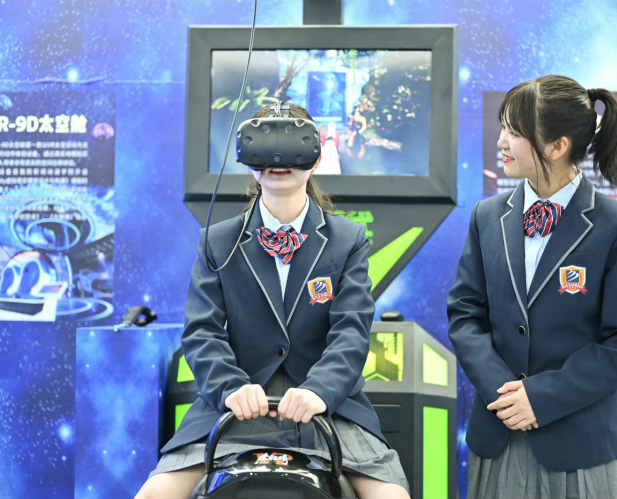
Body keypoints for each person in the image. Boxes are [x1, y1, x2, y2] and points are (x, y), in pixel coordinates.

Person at [135, 103, 410, 499]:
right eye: (265, 146)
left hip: (328, 410)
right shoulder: (218, 241)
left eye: (293, 146)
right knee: (154, 494)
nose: (279, 160)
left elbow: (351, 331)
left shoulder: (347, 239)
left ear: (315, 158)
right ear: (248, 159)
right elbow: (202, 331)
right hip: (236, 408)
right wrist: (231, 387)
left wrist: (320, 390)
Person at [447, 75, 617, 499]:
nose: (501, 142)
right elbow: (465, 314)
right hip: (500, 433)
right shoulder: (487, 216)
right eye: (502, 128)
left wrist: (540, 398)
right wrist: (506, 395)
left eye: (514, 132)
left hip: (583, 443)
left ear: (557, 146)